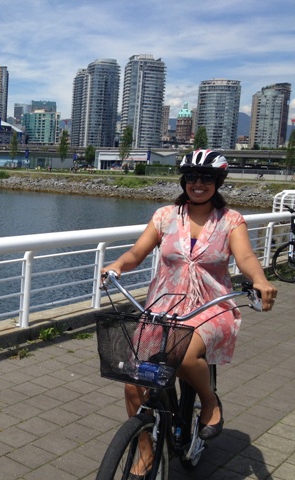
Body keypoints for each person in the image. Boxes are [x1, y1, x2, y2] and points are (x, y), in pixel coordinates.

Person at [102, 149, 278, 479]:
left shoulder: (231, 221)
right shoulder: (166, 216)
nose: (199, 184)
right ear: (184, 181)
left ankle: (210, 403)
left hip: (211, 308)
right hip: (163, 307)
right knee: (132, 386)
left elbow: (246, 259)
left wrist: (260, 280)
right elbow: (137, 252)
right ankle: (145, 449)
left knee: (184, 356)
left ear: (218, 182)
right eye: (193, 177)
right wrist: (117, 265)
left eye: (207, 178)